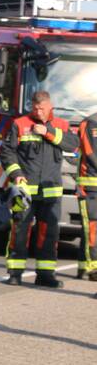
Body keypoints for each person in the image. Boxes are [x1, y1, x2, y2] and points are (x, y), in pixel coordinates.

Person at [0, 91, 79, 287]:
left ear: (50, 107)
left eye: (42, 109)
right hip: (24, 191)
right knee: (19, 231)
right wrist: (16, 174)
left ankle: (45, 274)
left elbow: (73, 145)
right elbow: (7, 152)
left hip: (50, 191)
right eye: (35, 108)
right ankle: (15, 273)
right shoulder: (20, 124)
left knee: (49, 233)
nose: (38, 112)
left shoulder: (60, 124)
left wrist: (48, 133)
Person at [77, 111, 97, 281]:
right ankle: (93, 268)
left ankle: (83, 266)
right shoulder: (89, 123)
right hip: (90, 186)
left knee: (89, 229)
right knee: (91, 226)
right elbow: (90, 153)